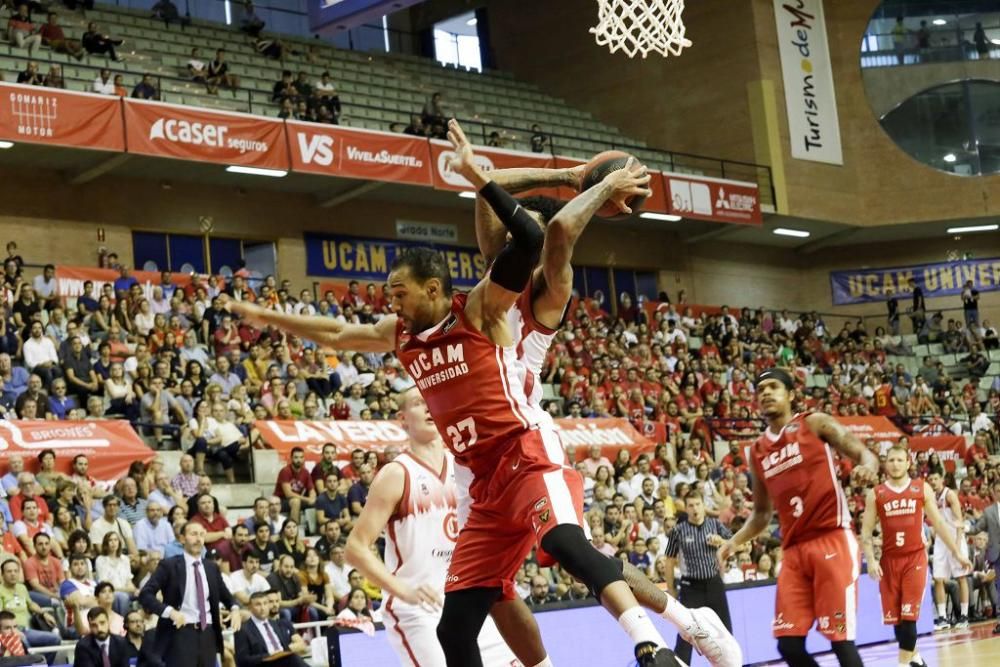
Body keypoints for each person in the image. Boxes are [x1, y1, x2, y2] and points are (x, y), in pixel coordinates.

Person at [226, 120, 682, 666]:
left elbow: (539, 238)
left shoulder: (481, 308)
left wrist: (582, 185)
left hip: (522, 446)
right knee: (457, 628)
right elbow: (335, 333)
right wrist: (266, 315)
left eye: (400, 292)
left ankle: (654, 644)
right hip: (480, 475)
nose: (390, 302)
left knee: (565, 544)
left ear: (434, 289)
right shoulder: (399, 334)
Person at [344, 387, 523, 666]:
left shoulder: (466, 465)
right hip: (420, 609)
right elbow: (355, 548)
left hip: (470, 599)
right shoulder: (396, 473)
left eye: (433, 401)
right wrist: (402, 590)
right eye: (419, 403)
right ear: (403, 419)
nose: (429, 407)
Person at [719, 367, 881, 667]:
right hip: (793, 552)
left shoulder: (814, 423)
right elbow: (762, 514)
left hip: (832, 538)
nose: (766, 392)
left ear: (791, 395)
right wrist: (733, 541)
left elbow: (862, 452)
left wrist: (868, 466)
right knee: (788, 646)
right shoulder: (756, 451)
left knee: (840, 640)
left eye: (773, 387)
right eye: (761, 389)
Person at [861, 445, 971, 667]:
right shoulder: (877, 493)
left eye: (900, 460)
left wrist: (957, 552)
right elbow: (865, 532)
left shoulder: (921, 488)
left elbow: (939, 523)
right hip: (889, 561)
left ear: (908, 463)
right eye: (891, 460)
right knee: (898, 621)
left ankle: (903, 664)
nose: (895, 464)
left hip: (915, 559)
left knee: (909, 617)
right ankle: (915, 657)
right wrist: (871, 560)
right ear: (885, 463)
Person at [138, 522, 242, 667]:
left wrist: (235, 609)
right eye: (193, 534)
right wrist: (169, 612)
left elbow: (227, 597)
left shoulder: (211, 567)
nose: (198, 539)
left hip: (208, 633)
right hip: (180, 632)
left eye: (201, 535)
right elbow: (145, 594)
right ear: (182, 539)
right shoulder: (169, 565)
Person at [662, 490, 734, 666]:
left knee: (726, 632)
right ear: (685, 508)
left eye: (698, 504)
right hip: (690, 587)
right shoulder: (678, 531)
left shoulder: (715, 525)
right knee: (686, 633)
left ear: (704, 505)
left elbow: (738, 544)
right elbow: (669, 561)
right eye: (691, 505)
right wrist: (671, 589)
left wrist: (722, 543)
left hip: (714, 583)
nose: (695, 509)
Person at [926, 471, 973, 629]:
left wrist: (958, 545)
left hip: (954, 537)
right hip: (940, 540)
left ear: (942, 480)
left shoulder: (950, 494)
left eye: (935, 478)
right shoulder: (930, 497)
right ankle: (942, 618)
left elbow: (959, 521)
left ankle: (964, 615)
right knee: (938, 578)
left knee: (961, 577)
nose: (933, 481)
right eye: (930, 479)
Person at [233, 591, 306, 667]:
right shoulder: (243, 629)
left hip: (283, 659)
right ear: (250, 607)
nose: (262, 608)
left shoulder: (276, 624)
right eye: (258, 604)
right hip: (264, 663)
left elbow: (288, 648)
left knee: (294, 658)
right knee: (293, 659)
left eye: (265, 603)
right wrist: (269, 655)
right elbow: (242, 660)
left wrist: (281, 653)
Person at [970, 479, 1000, 635]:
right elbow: (977, 528)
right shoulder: (989, 511)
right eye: (998, 491)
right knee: (998, 588)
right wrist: (965, 526)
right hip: (997, 555)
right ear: (993, 494)